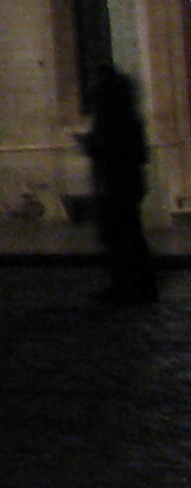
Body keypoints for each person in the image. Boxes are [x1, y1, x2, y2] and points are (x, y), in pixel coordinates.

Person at [81, 62, 159, 306]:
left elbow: (116, 150)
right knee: (128, 234)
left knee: (121, 235)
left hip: (117, 181)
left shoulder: (112, 119)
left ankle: (130, 285)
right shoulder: (128, 117)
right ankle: (138, 285)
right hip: (126, 181)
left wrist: (93, 146)